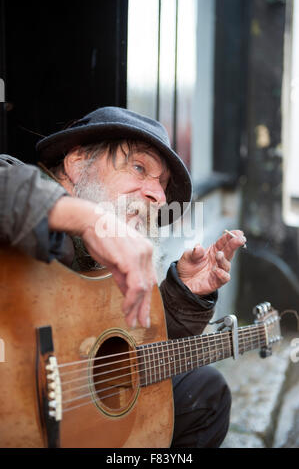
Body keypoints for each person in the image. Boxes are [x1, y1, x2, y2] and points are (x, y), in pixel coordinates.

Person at [0, 106, 246, 447]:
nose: (158, 196)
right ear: (75, 162)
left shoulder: (109, 261)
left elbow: (119, 354)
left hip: (67, 411)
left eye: (161, 185)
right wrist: (87, 220)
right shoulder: (25, 187)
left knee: (204, 391)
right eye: (139, 167)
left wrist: (182, 296)